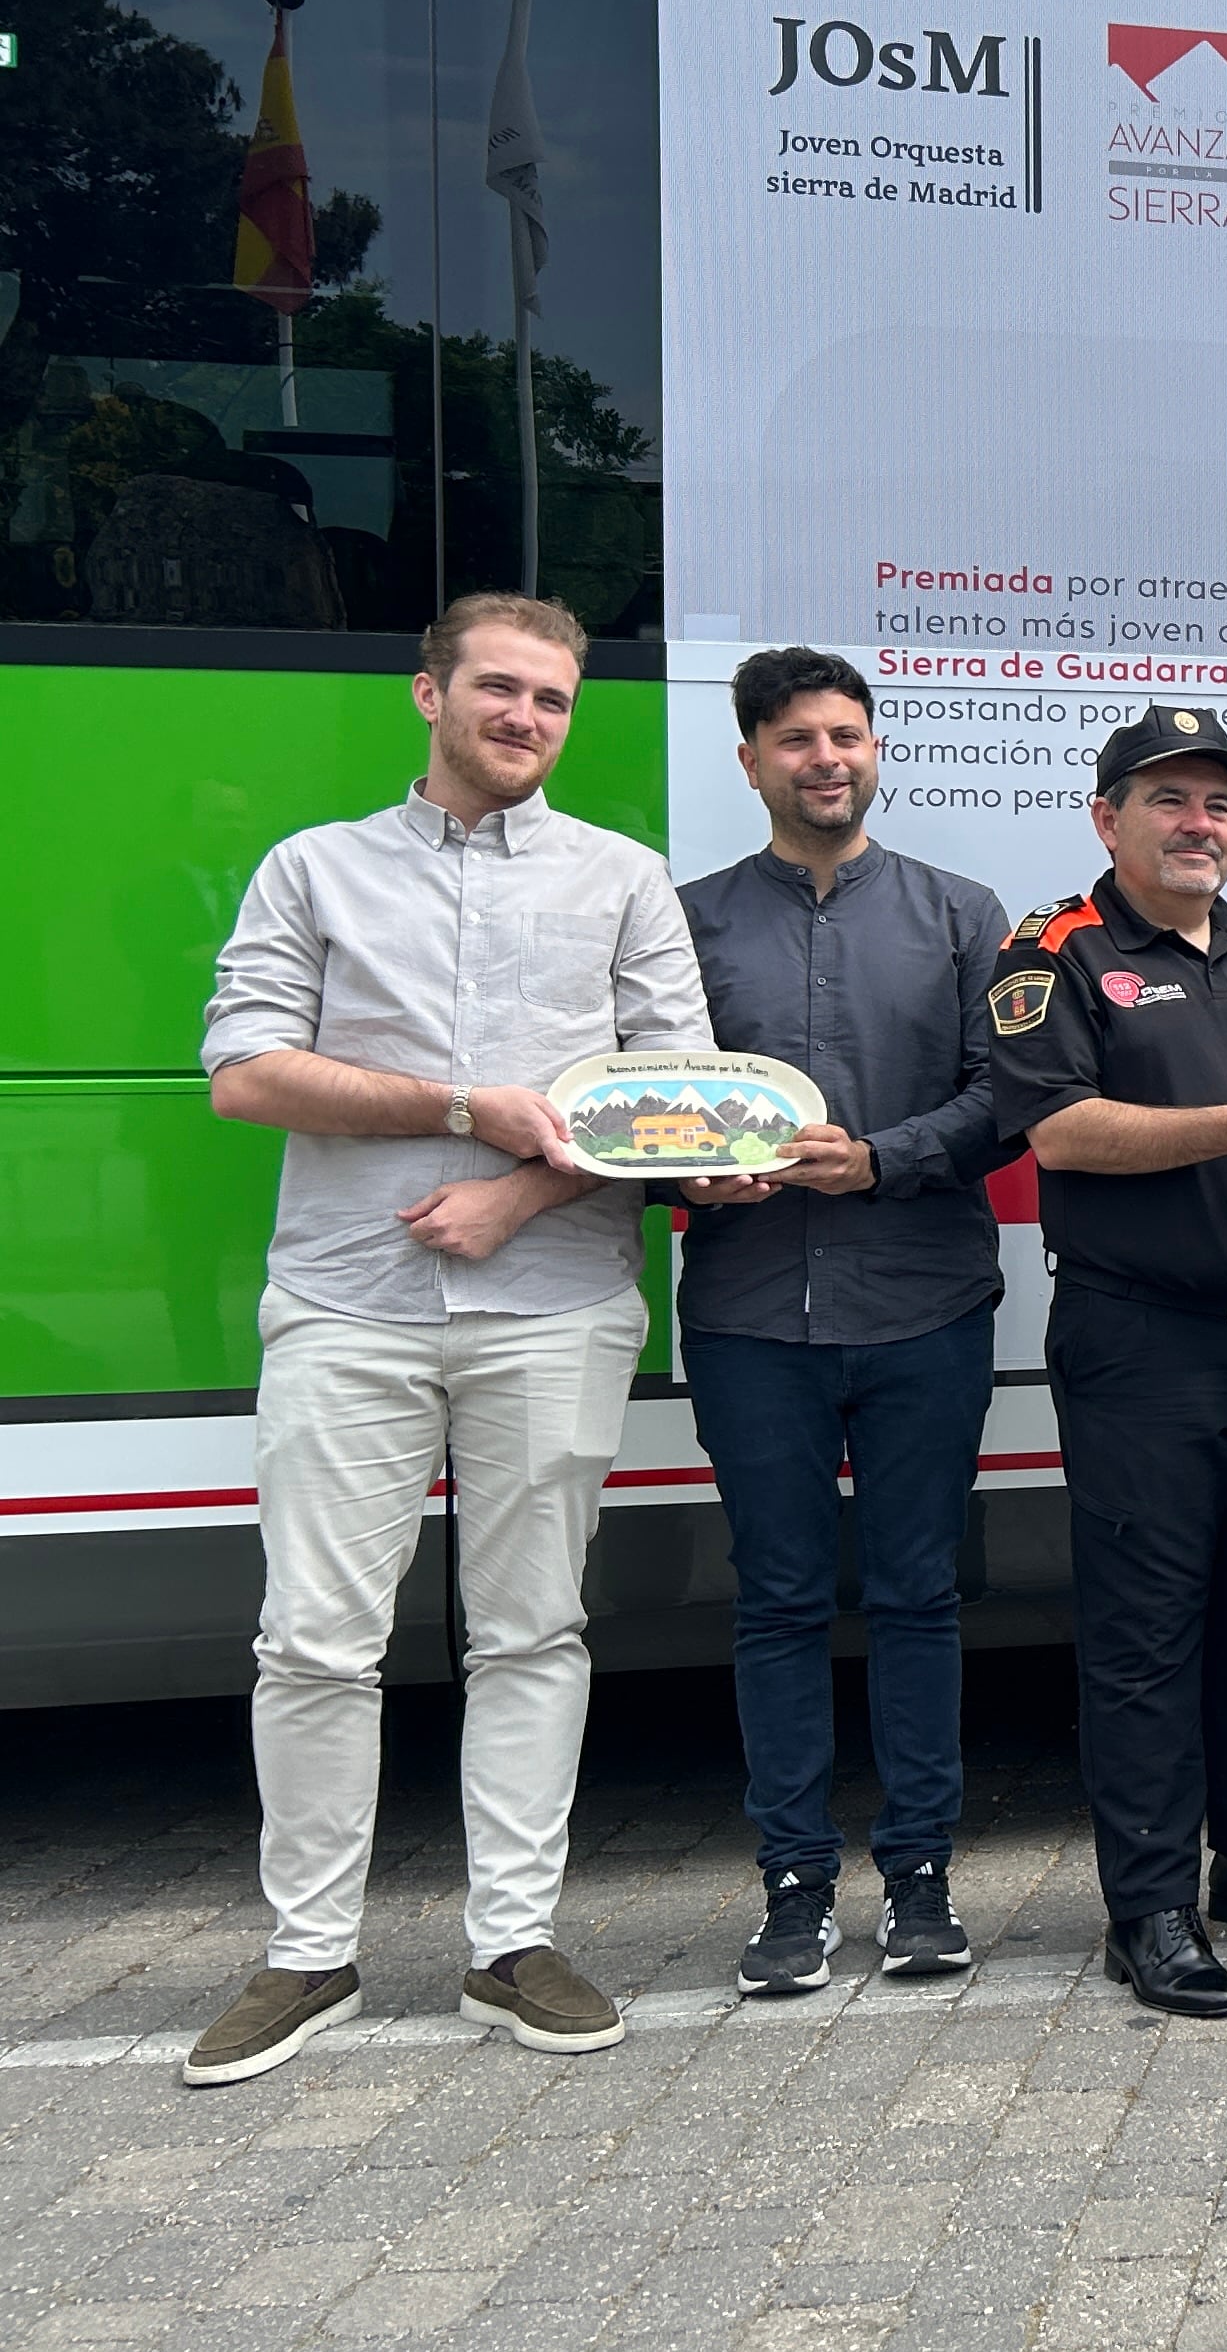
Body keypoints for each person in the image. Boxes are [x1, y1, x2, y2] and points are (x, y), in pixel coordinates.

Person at [187, 593, 707, 2087]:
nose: (526, 720)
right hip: (349, 1304)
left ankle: (512, 1944)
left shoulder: (620, 880)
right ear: (430, 695)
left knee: (534, 1629)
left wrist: (518, 1195)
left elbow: (671, 1093)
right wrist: (460, 1107)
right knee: (314, 1642)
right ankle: (306, 1958)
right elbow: (244, 1072)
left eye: (552, 700)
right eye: (498, 689)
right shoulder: (317, 871)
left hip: (551, 1307)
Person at [984, 706, 1227, 2018]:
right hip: (1145, 1339)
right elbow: (1062, 1134)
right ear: (1107, 818)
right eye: (1169, 801)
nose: (1198, 824)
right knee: (1147, 1634)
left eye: (1216, 803)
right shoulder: (1055, 953)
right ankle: (1148, 1903)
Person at [672, 646, 1013, 1998]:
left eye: (850, 737)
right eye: (800, 740)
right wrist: (683, 1168)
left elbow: (1006, 1098)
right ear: (752, 760)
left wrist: (881, 1158)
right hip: (752, 1315)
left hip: (924, 1303)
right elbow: (644, 1099)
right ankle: (793, 1889)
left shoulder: (957, 913)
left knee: (921, 1596)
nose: (829, 760)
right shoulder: (688, 923)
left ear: (878, 753)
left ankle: (920, 1878)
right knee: (778, 1603)